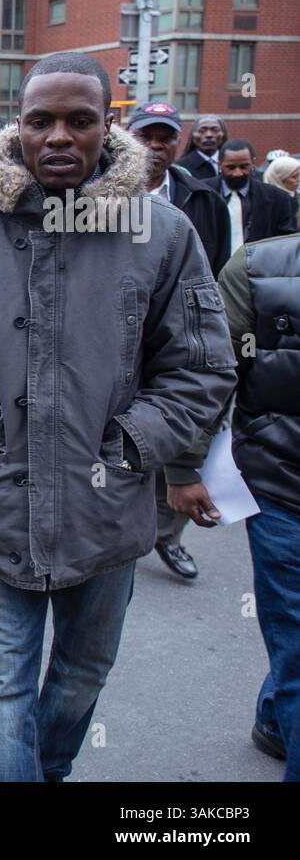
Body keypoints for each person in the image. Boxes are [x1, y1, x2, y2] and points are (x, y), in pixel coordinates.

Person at [0, 51, 235, 782]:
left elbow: (202, 366)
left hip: (108, 510)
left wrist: (130, 446)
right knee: (0, 692)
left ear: (107, 127)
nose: (57, 137)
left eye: (78, 121)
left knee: (81, 677)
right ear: (16, 127)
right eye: (39, 120)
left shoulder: (164, 234)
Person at [165, 227, 300, 778]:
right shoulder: (260, 266)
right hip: (284, 489)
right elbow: (208, 367)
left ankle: (275, 718)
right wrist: (183, 465)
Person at [126, 100, 234, 580]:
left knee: (183, 430)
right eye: (145, 135)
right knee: (127, 432)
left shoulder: (201, 197)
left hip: (182, 332)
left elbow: (220, 271)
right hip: (124, 332)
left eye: (165, 136)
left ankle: (168, 536)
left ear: (177, 142)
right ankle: (123, 530)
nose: (155, 146)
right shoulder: (98, 195)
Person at [221, 139, 299, 252]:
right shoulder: (204, 194)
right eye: (231, 167)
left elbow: (286, 243)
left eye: (244, 167)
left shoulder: (278, 198)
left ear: (253, 163)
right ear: (220, 164)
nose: (237, 173)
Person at [175, 115, 228, 183]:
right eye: (202, 130)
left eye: (215, 130)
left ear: (223, 135)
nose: (209, 135)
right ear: (193, 136)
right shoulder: (180, 168)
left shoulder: (232, 163)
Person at [263, 155, 300, 227]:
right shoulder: (267, 201)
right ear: (280, 178)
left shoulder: (295, 196)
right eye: (294, 177)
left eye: (298, 175)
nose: (298, 180)